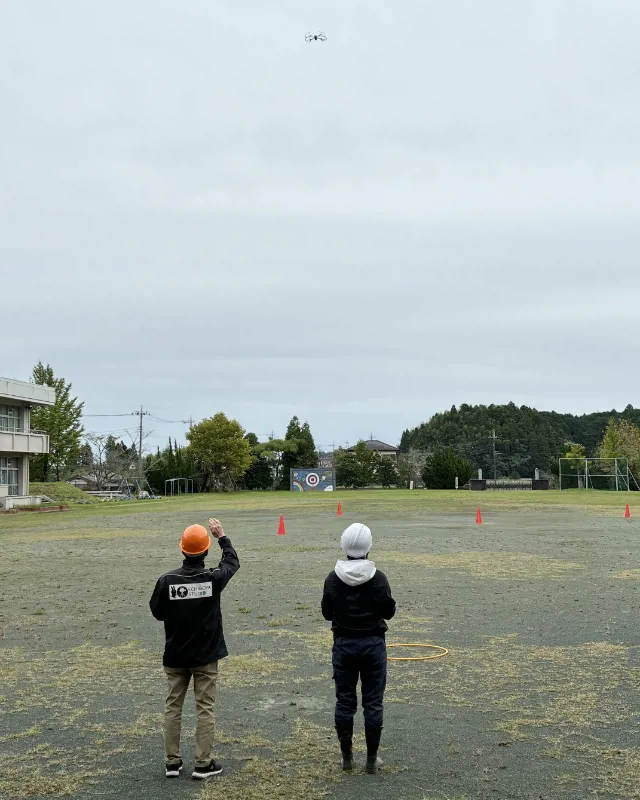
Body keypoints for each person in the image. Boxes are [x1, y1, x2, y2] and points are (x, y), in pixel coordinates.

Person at [150, 517, 240, 780]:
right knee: (205, 707)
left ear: (182, 549)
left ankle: (172, 762)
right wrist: (222, 536)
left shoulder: (167, 580)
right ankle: (203, 763)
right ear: (205, 550)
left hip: (175, 653)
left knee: (173, 706)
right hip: (206, 655)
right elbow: (232, 563)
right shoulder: (212, 578)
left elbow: (157, 612)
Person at [321, 522, 396, 774]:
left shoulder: (333, 578)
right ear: (369, 547)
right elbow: (389, 611)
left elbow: (326, 613)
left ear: (343, 546)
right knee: (373, 703)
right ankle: (372, 760)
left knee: (345, 702)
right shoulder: (379, 578)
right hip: (373, 645)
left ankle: (347, 758)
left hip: (343, 646)